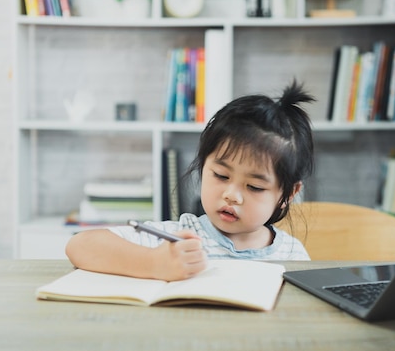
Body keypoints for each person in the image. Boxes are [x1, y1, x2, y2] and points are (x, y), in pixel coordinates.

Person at [65, 80, 316, 281]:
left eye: (254, 187)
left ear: (287, 195)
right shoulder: (179, 238)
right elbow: (80, 245)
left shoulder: (293, 256)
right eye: (221, 175)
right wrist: (155, 263)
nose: (231, 195)